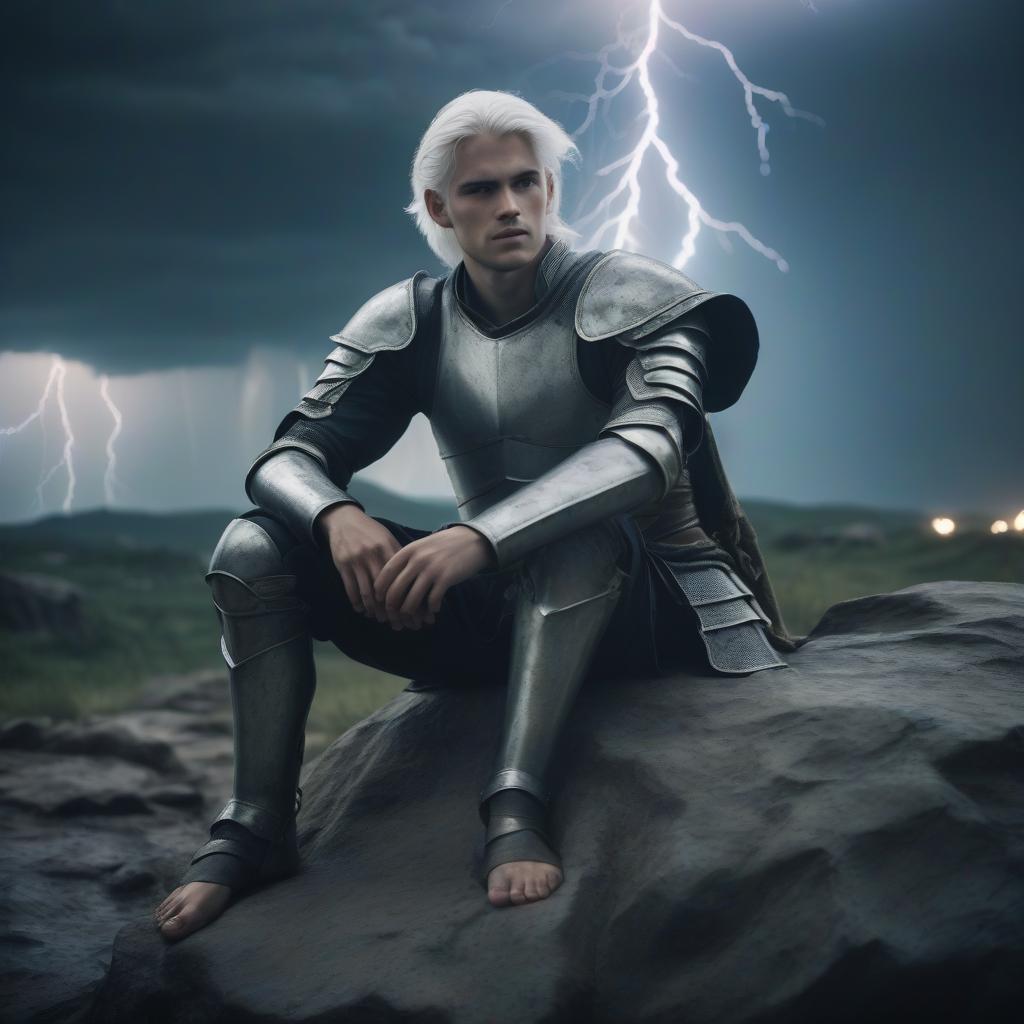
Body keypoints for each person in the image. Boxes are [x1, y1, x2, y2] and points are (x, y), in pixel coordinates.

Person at [153, 89, 796, 942]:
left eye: (526, 183)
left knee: (579, 534)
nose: (509, 207)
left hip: (662, 605)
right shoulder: (410, 320)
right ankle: (255, 828)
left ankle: (516, 806)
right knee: (252, 547)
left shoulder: (634, 296)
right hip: (507, 602)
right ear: (437, 208)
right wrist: (335, 517)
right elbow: (285, 458)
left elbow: (647, 453)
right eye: (482, 190)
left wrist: (477, 537)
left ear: (550, 192)